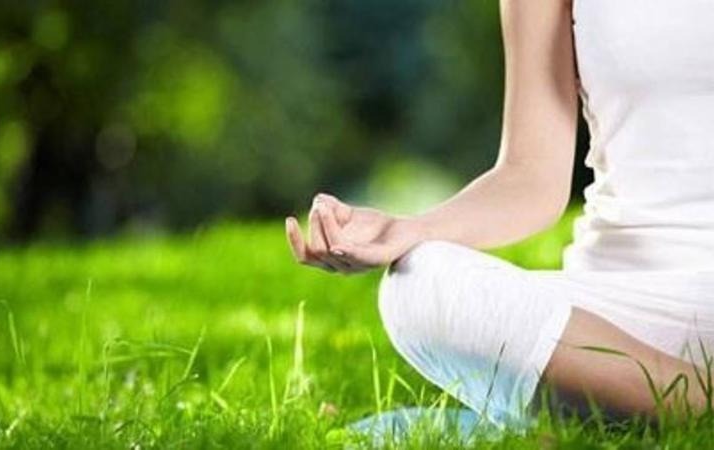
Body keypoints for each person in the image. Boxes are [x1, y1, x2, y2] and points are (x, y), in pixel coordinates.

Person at [284, 0, 714, 428]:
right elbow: (530, 175)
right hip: (613, 316)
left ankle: (626, 415)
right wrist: (409, 231)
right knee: (418, 283)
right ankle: (677, 405)